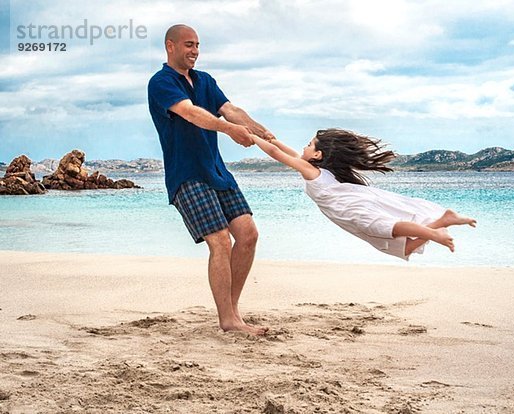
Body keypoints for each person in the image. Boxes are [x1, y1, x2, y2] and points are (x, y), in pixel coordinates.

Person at [148, 24, 273, 335]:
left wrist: (258, 129)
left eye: (198, 45)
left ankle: (232, 312)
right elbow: (190, 113)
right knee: (220, 242)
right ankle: (227, 320)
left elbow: (230, 109)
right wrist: (229, 130)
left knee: (248, 235)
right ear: (170, 46)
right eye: (189, 45)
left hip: (216, 170)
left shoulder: (205, 80)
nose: (195, 51)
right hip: (187, 175)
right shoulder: (160, 82)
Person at [252, 129, 477, 260]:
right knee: (401, 247)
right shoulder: (317, 168)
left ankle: (434, 233)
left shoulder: (312, 170)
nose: (303, 148)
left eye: (308, 145)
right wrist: (270, 138)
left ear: (318, 154)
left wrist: (253, 139)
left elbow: (277, 155)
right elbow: (284, 150)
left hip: (349, 209)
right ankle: (442, 222)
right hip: (348, 205)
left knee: (386, 227)